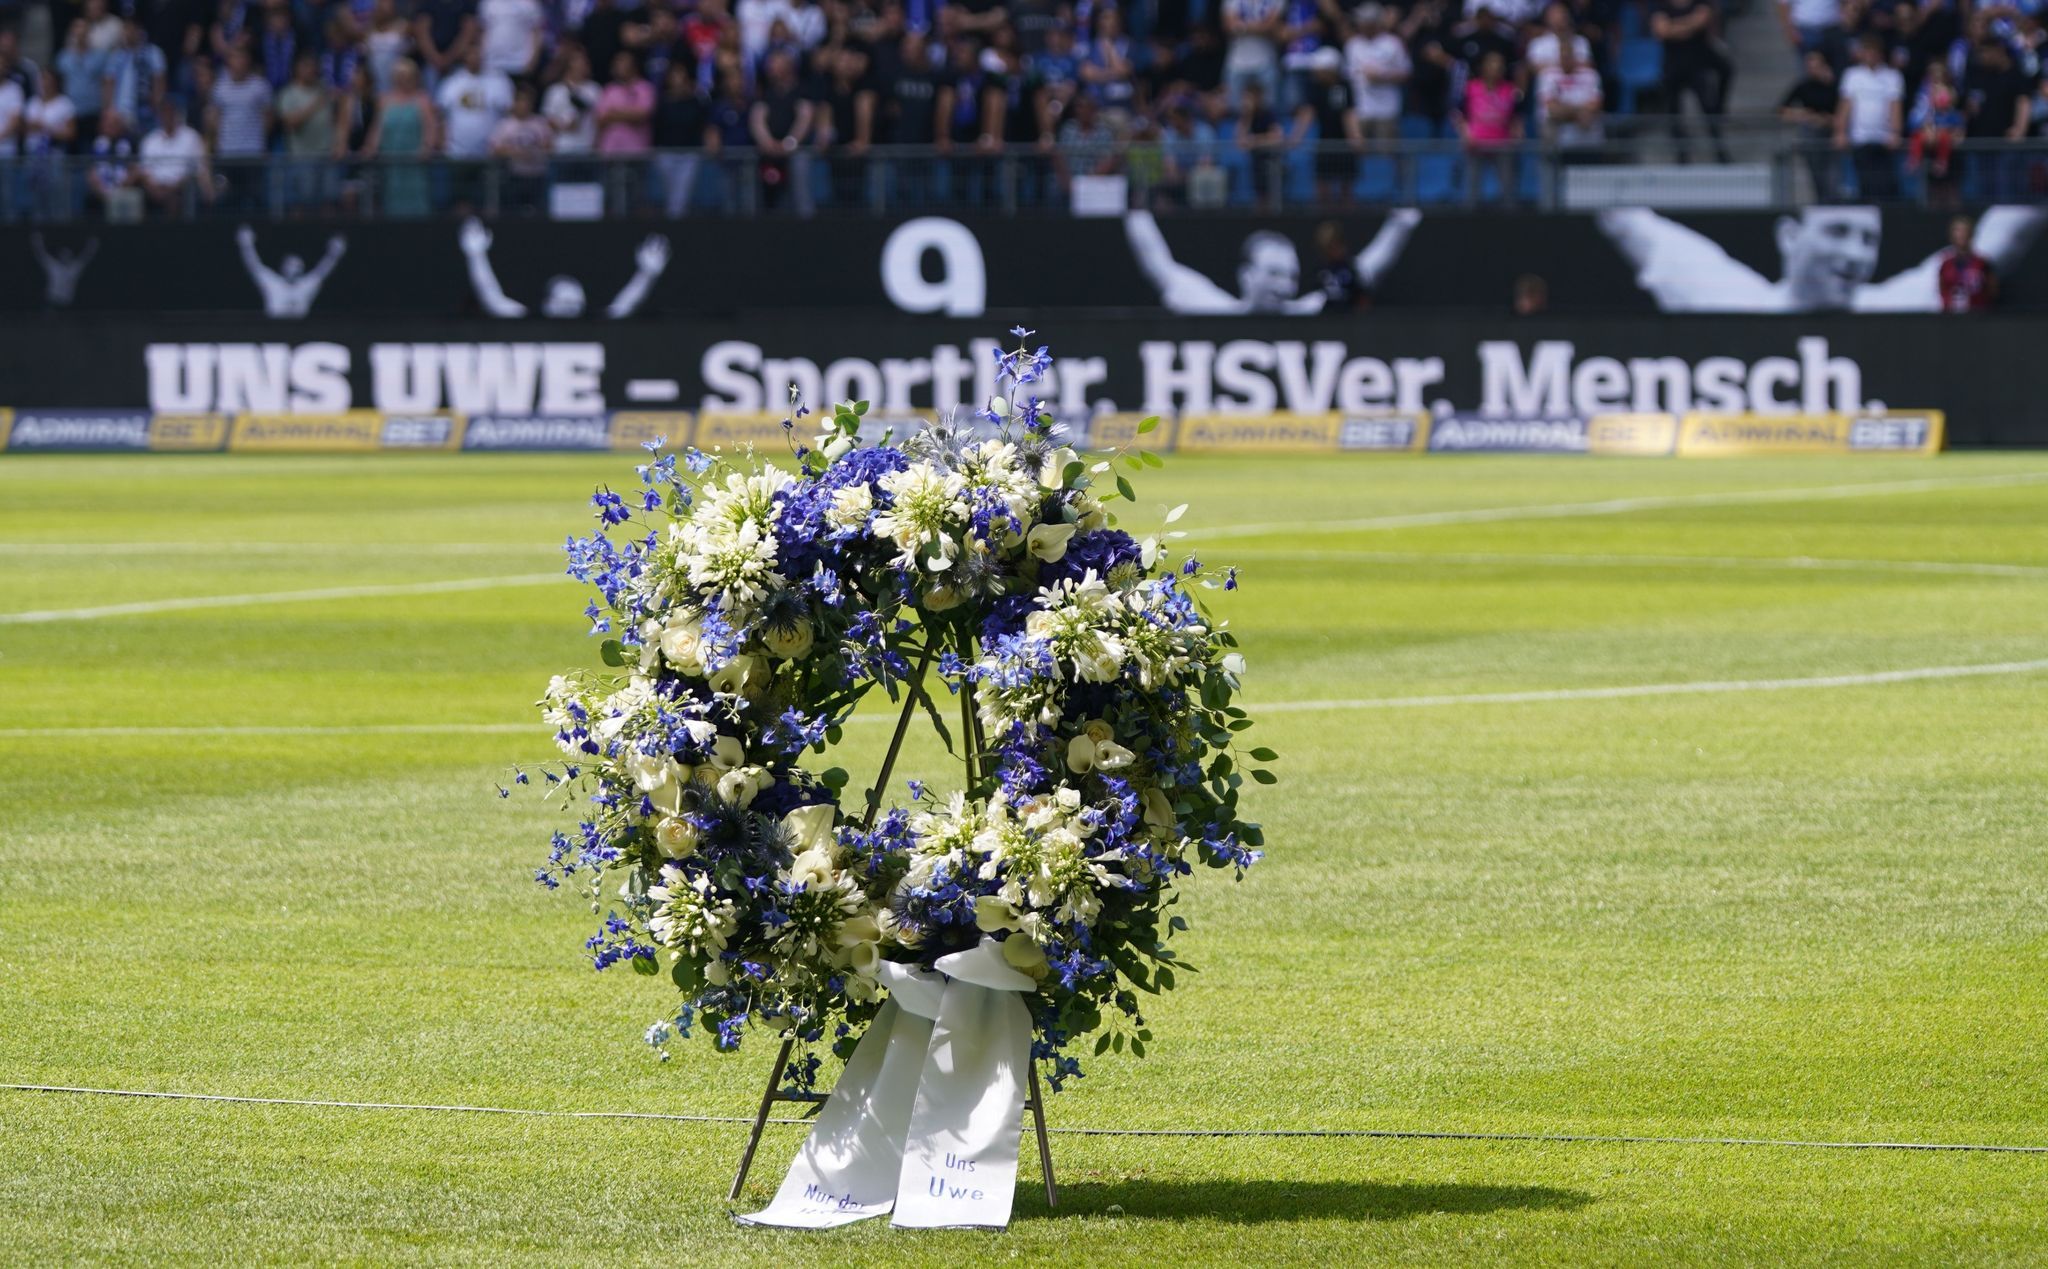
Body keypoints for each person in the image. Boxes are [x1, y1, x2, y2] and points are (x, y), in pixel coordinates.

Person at [1597, 203, 2046, 311]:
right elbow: (1625, 220)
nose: (1855, 254)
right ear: (1791, 237)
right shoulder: (1720, 291)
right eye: (1838, 232)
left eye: (1869, 239)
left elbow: (2008, 229)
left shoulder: (1894, 303)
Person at [1123, 206, 1421, 313]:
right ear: (1247, 276)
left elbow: (1367, 269)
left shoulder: (1306, 311)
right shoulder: (1209, 306)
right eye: (1275, 273)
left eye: (1291, 276)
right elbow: (1159, 265)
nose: (1285, 286)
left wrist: (1401, 225)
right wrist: (1133, 206)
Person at [459, 216, 671, 317]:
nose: (569, 307)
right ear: (547, 302)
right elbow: (492, 299)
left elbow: (625, 305)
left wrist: (647, 274)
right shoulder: (530, 321)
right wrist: (476, 255)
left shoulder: (593, 324)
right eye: (563, 301)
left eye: (574, 302)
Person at [1651, 0, 1730, 164]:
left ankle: (1719, 152)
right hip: (1672, 69)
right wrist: (1690, 24)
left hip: (1697, 68)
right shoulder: (1662, 5)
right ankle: (1681, 156)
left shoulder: (1701, 2)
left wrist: (1673, 27)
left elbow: (1702, 20)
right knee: (1674, 114)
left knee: (1709, 110)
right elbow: (1661, 30)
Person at [368, 56, 438, 216]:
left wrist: (427, 148)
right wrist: (371, 148)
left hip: (414, 161)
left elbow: (431, 128)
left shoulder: (422, 100)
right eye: (400, 76)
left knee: (416, 202)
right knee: (391, 201)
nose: (403, 80)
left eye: (407, 76)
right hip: (391, 160)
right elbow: (377, 129)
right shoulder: (384, 101)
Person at [1833, 33, 1901, 199]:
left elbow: (1895, 106)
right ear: (1862, 53)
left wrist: (1895, 133)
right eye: (1867, 51)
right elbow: (1845, 106)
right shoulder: (1852, 75)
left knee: (1885, 185)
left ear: (1880, 53)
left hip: (1883, 139)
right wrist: (1840, 132)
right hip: (1860, 139)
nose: (1871, 55)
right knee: (1863, 185)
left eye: (1874, 52)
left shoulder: (1892, 76)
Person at [750, 48, 815, 214]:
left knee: (800, 195)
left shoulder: (802, 90)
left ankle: (806, 226)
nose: (770, 67)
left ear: (789, 65)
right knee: (766, 199)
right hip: (769, 153)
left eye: (775, 62)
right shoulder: (766, 92)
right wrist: (767, 142)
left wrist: (789, 143)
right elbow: (758, 118)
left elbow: (805, 118)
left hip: (796, 152)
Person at [1293, 45, 1359, 206]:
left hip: (1344, 143)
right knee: (1322, 183)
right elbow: (1308, 112)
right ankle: (1323, 217)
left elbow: (1348, 114)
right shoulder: (1315, 87)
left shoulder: (1345, 85)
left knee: (1346, 185)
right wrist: (1296, 137)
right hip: (1324, 141)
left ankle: (1348, 218)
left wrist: (1355, 137)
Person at [236, 224, 347, 316]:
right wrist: (246, 245)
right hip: (273, 329)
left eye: (297, 265)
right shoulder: (273, 282)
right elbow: (254, 266)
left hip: (300, 331)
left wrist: (335, 253)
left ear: (302, 268)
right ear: (283, 267)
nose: (293, 269)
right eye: (290, 265)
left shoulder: (306, 285)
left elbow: (322, 271)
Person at [1455, 48, 1519, 203]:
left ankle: (1510, 218)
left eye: (1499, 66)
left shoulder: (1510, 90)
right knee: (1472, 187)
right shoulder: (1470, 88)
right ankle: (1470, 218)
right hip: (1476, 144)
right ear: (1483, 67)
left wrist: (1517, 133)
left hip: (1502, 144)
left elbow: (1516, 117)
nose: (1496, 69)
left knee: (1508, 187)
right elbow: (1458, 114)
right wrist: (1466, 134)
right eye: (1492, 65)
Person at [652, 61, 716, 216]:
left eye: (681, 76)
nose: (678, 79)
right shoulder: (662, 103)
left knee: (681, 197)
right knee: (666, 195)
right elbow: (656, 128)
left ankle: (676, 228)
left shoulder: (696, 102)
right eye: (674, 76)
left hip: (689, 154)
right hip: (665, 154)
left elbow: (705, 124)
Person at [278, 52, 337, 209]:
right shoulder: (288, 93)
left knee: (329, 202)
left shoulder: (324, 90)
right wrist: (315, 105)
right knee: (303, 202)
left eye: (313, 66)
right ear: (297, 69)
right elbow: (290, 123)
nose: (310, 70)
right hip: (302, 157)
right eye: (305, 66)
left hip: (327, 154)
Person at [1345, 3, 1409, 146]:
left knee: (1386, 154)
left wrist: (1382, 76)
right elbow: (1349, 77)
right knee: (1361, 155)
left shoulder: (1393, 43)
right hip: (1362, 109)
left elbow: (1406, 73)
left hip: (1387, 110)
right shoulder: (1353, 45)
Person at [1779, 50, 1838, 198]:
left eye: (1816, 65)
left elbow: (1842, 113)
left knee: (1831, 178)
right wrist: (1805, 115)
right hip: (1811, 138)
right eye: (1809, 65)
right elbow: (1781, 110)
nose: (1812, 69)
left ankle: (1832, 202)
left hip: (1830, 138)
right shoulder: (1803, 86)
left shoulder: (1834, 87)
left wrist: (1826, 119)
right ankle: (1821, 202)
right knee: (1816, 177)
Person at [138, 99, 210, 213]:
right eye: (164, 112)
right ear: (160, 115)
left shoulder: (191, 137)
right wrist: (155, 189)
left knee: (177, 197)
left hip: (182, 188)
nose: (168, 116)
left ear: (177, 114)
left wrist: (174, 188)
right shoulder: (150, 140)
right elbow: (145, 172)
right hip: (155, 189)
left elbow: (197, 169)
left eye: (171, 112)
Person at [489, 79, 551, 211]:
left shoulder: (540, 123)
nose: (524, 105)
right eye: (521, 100)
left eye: (527, 101)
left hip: (537, 176)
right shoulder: (505, 125)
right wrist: (515, 153)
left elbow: (550, 147)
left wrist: (535, 151)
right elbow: (494, 150)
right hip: (514, 177)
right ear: (515, 102)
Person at [1537, 37, 1602, 155]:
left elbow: (1595, 105)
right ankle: (1553, 159)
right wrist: (1578, 111)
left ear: (1574, 56)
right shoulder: (1547, 75)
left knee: (1590, 118)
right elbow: (1551, 109)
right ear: (1559, 56)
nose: (1566, 59)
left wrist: (1566, 110)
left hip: (1583, 122)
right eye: (1563, 56)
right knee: (1550, 122)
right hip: (1558, 122)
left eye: (1569, 56)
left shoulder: (1590, 75)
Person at [596, 50, 655, 155]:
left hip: (636, 152)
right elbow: (601, 119)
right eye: (617, 62)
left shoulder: (645, 88)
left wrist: (614, 114)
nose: (618, 66)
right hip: (610, 152)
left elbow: (642, 115)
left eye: (622, 62)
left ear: (633, 65)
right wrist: (628, 114)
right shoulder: (609, 89)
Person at [30, 232, 96, 304]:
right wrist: (37, 242)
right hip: (52, 299)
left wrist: (92, 246)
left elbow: (85, 257)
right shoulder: (54, 266)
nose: (65, 256)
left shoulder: (74, 268)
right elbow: (41, 254)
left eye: (68, 254)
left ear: (71, 256)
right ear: (60, 256)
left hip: (67, 301)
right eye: (63, 254)